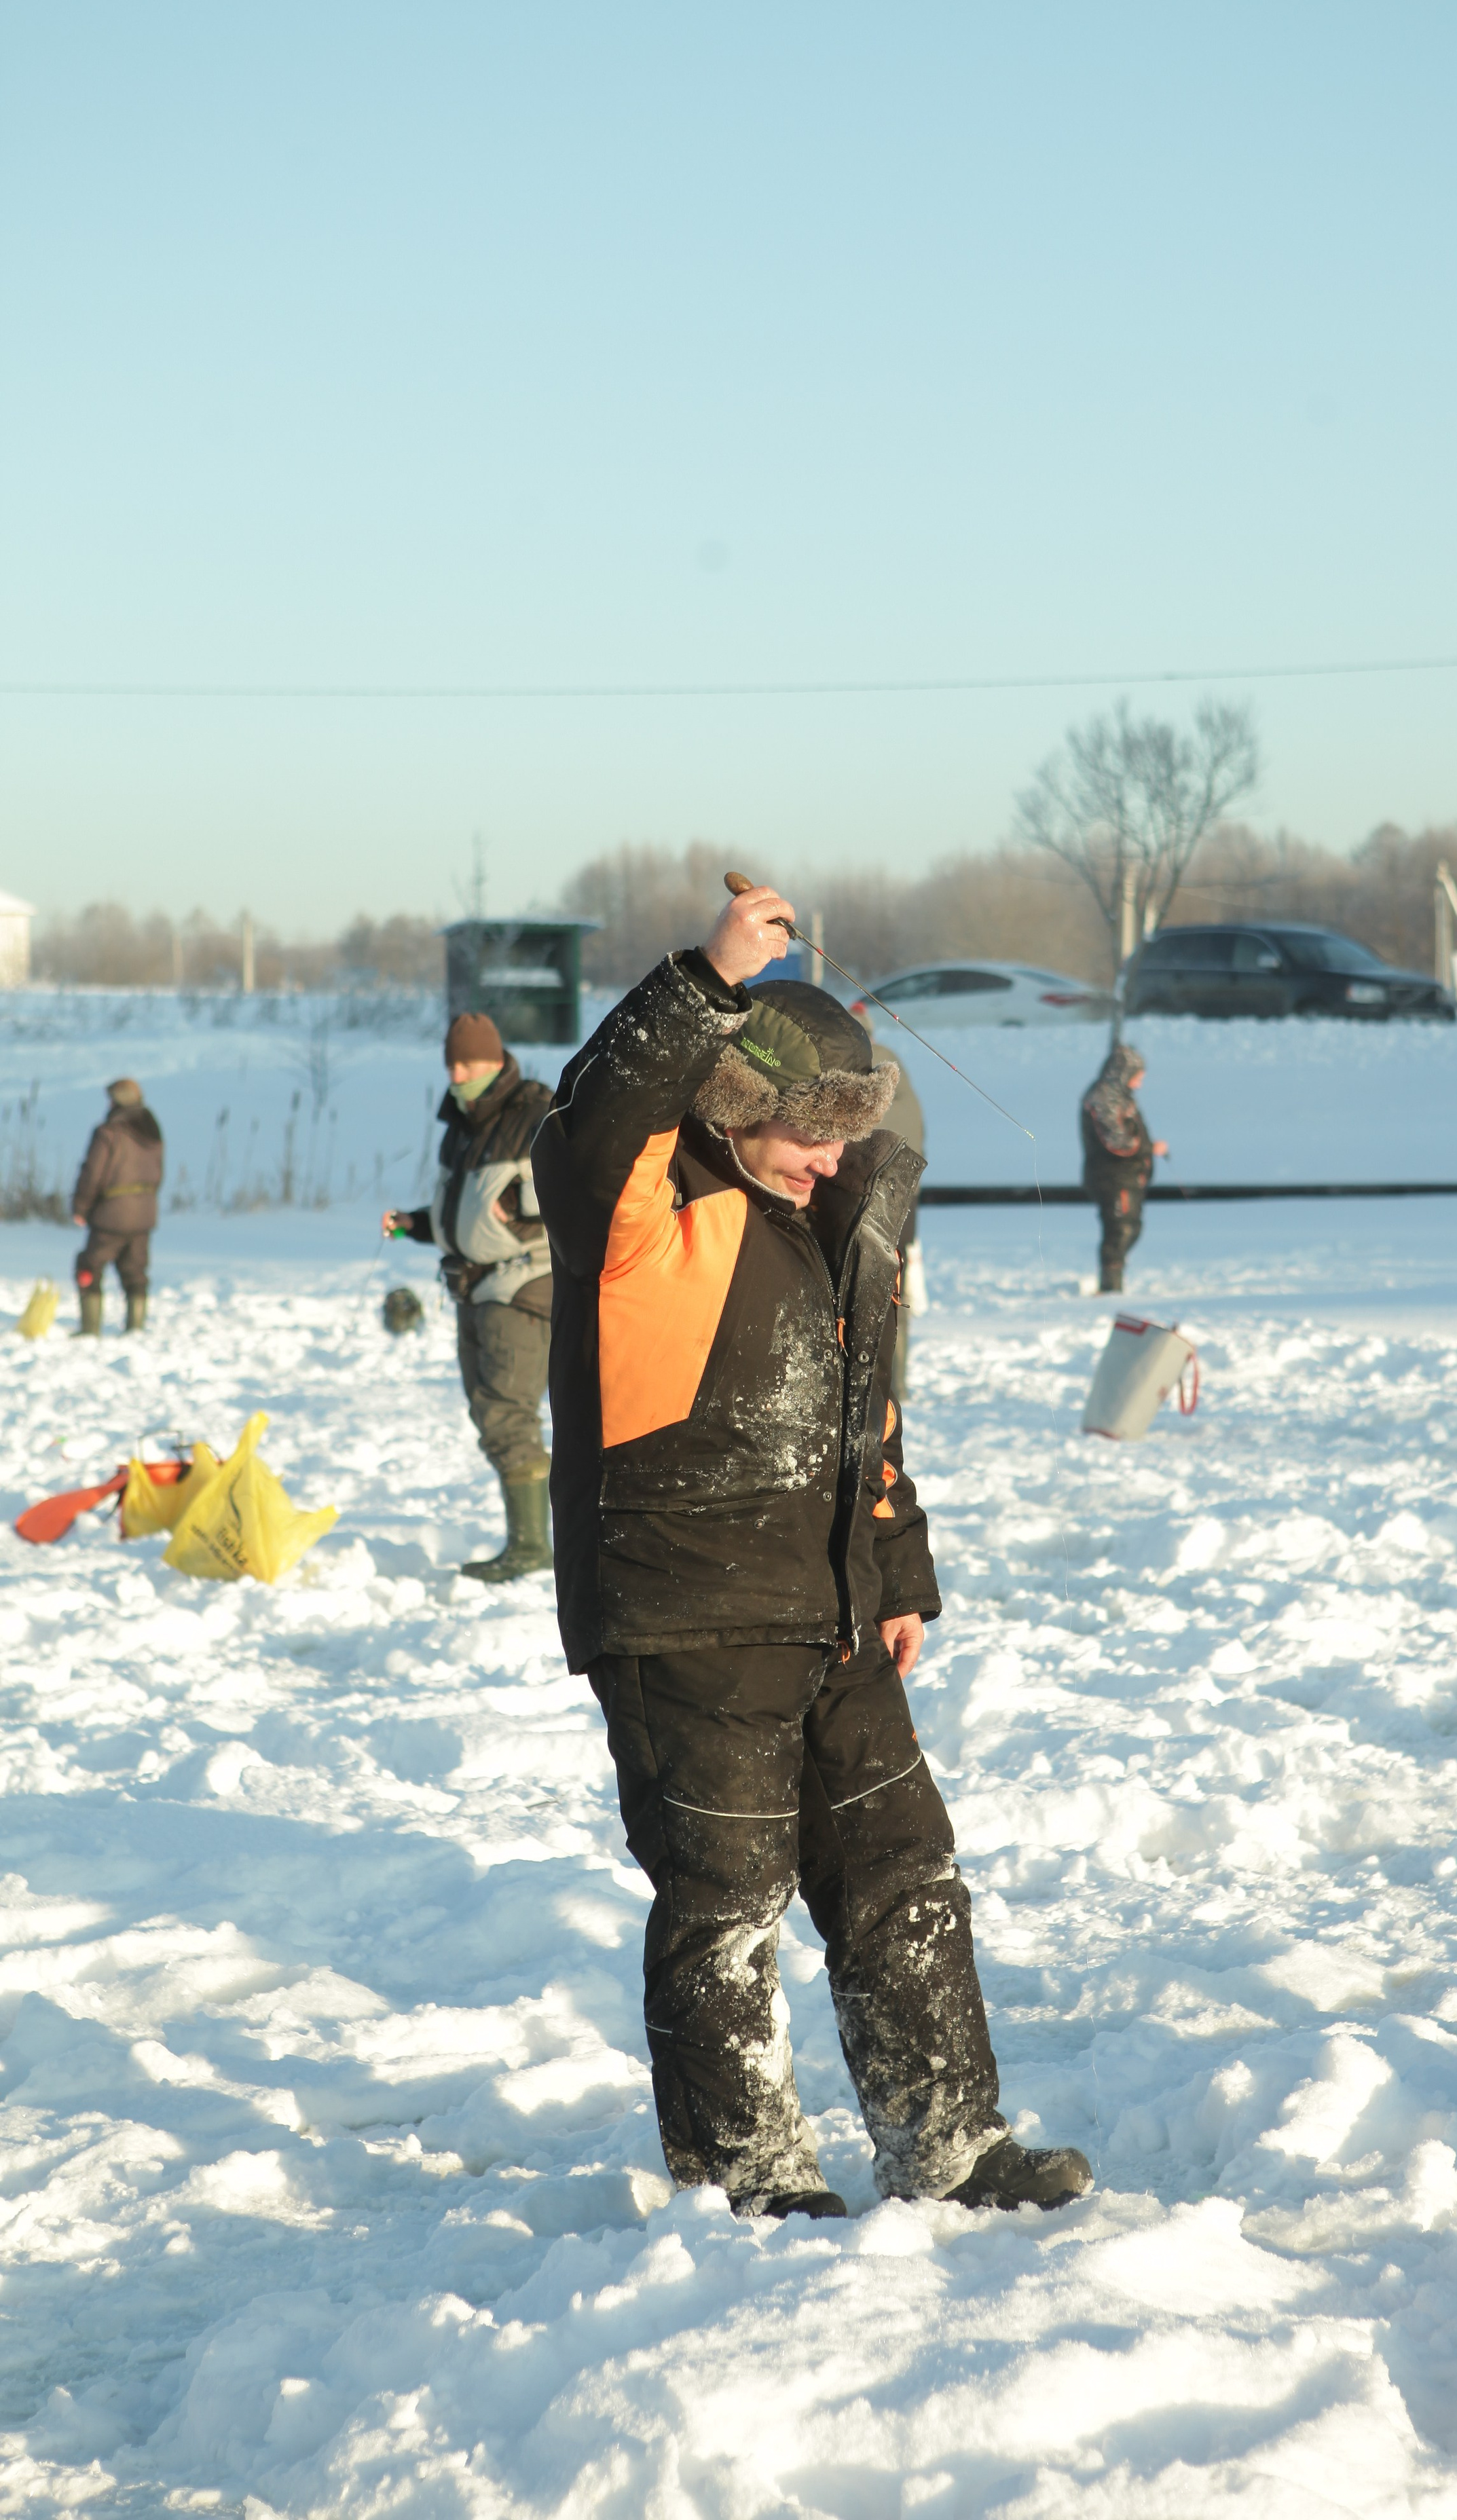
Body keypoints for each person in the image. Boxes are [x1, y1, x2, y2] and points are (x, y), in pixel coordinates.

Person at [531, 881, 1092, 2221]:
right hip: (685, 1612)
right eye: (807, 1134)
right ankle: (749, 2180)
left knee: (903, 1869)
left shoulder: (829, 1228)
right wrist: (704, 981)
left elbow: (862, 1420)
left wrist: (894, 1570)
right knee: (727, 1898)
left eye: (846, 1138)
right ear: (733, 1104)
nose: (829, 1162)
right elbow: (594, 1119)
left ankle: (949, 2143)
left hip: (831, 1606)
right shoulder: (639, 1212)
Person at [384, 1013, 555, 1582]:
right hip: (471, 1286)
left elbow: (580, 1188)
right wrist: (414, 1224)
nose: (459, 1075)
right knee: (489, 1409)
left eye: (470, 1064)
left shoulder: (536, 1113)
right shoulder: (460, 1125)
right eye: (452, 1065)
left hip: (523, 1286)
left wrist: (523, 1208)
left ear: (497, 1061)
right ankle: (531, 1538)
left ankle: (532, 1548)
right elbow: (463, 1213)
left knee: (507, 1412)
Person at [850, 1001, 924, 1400]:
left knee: (854, 1292)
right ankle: (897, 1382)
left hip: (861, 1199)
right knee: (894, 1292)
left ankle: (865, 1385)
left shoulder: (848, 1067)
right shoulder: (898, 1067)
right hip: (905, 1200)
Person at [71, 1078, 163, 1335]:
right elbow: (159, 1174)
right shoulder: (153, 1132)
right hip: (144, 1214)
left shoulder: (108, 1132)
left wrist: (81, 1207)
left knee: (89, 1266)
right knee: (135, 1272)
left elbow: (92, 1173)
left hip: (112, 1215)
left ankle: (90, 1330)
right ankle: (136, 1329)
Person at [1080, 1042, 1165, 1295]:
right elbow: (1117, 1142)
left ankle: (1112, 1282)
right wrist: (1148, 1148)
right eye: (1137, 1077)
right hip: (1112, 1177)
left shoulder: (1121, 1097)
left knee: (1132, 1228)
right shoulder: (1103, 1097)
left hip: (1128, 1176)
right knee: (1119, 1230)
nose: (1139, 1084)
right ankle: (1110, 1289)